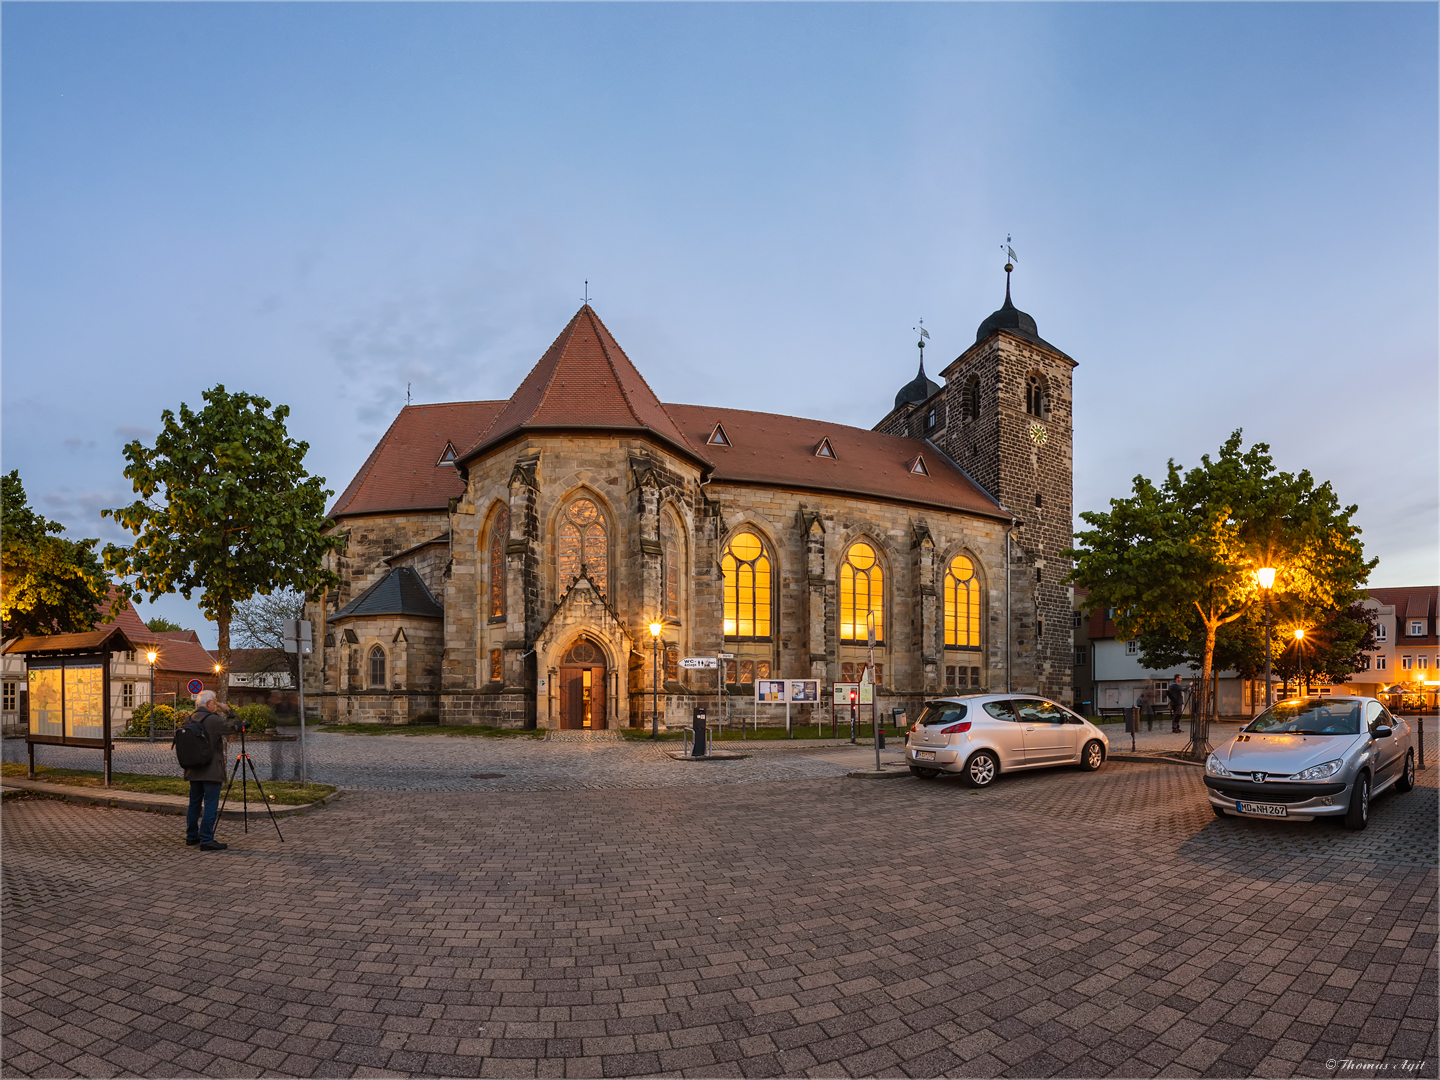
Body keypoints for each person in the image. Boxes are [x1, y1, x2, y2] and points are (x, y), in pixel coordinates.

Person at [184, 691, 239, 851]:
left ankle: (191, 836)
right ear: (209, 704)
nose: (215, 705)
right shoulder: (213, 720)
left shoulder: (189, 718)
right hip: (211, 770)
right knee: (210, 804)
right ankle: (207, 839)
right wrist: (228, 710)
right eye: (214, 702)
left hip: (193, 768)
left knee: (194, 804)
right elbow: (237, 726)